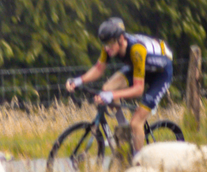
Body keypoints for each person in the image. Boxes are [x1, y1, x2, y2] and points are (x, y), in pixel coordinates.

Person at [66, 17, 173, 153]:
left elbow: (138, 90)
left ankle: (139, 165)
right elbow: (99, 69)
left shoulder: (136, 50)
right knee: (107, 88)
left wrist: (110, 95)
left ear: (121, 39)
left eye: (110, 43)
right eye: (104, 43)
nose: (107, 48)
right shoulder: (110, 46)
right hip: (140, 67)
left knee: (136, 122)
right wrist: (78, 81)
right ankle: (124, 129)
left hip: (161, 74)